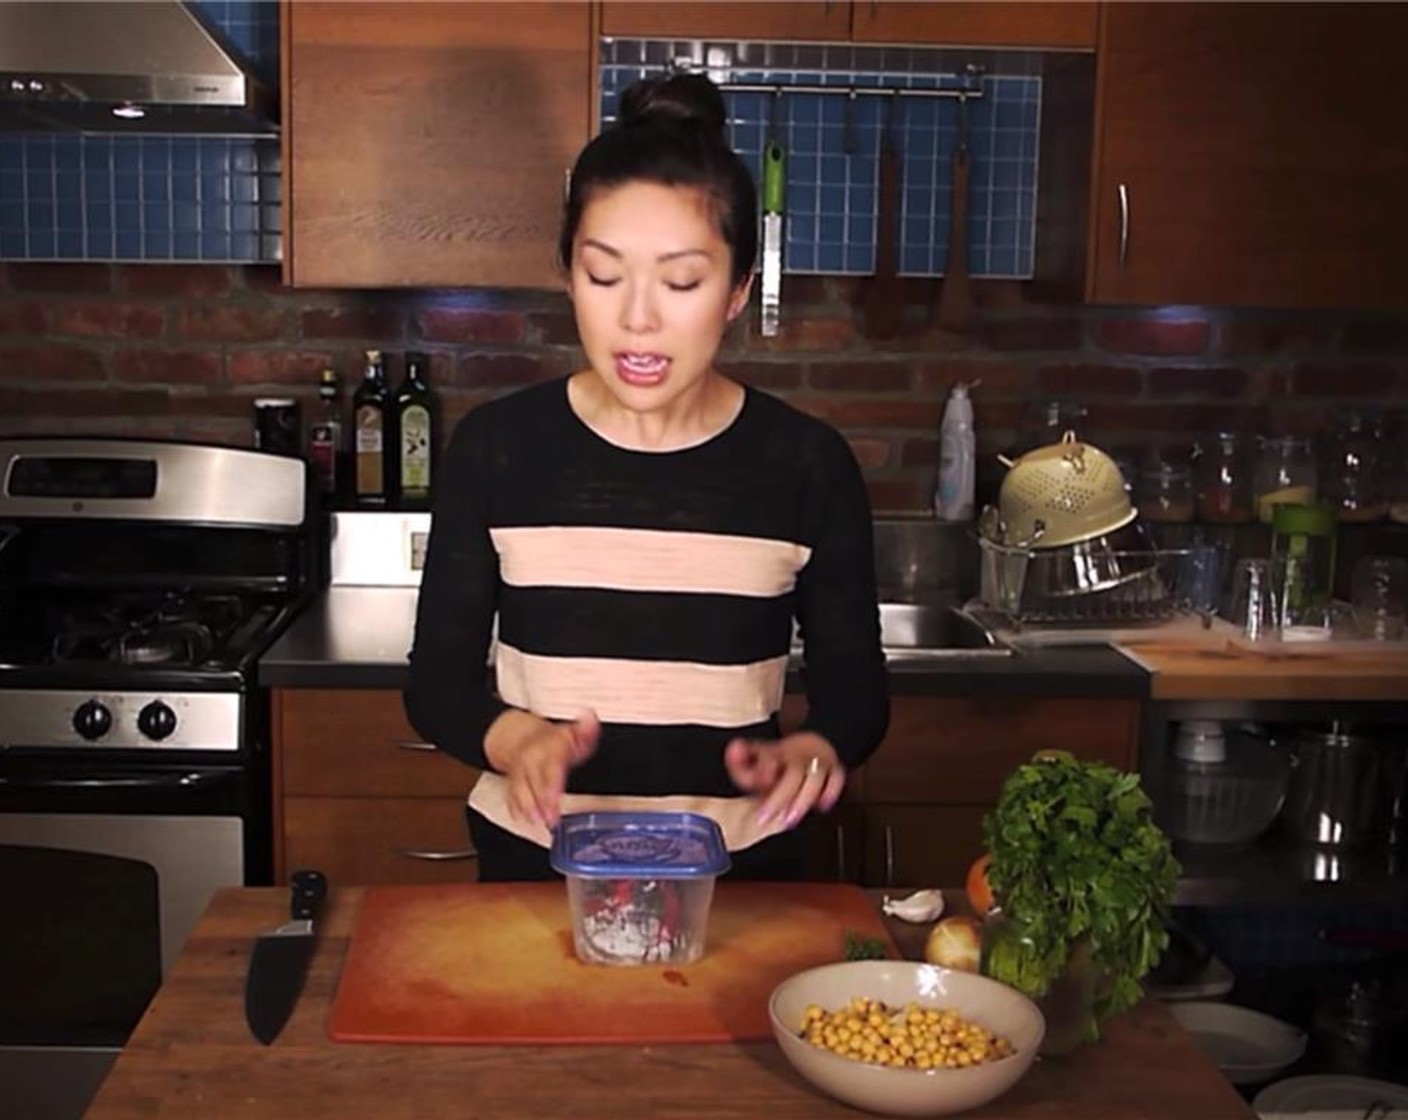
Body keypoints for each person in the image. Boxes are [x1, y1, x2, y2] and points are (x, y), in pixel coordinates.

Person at [403, 72, 888, 882]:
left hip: (739, 875)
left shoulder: (806, 465)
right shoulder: (498, 450)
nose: (638, 318)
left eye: (683, 282)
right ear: (567, 274)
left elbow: (857, 695)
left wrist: (817, 747)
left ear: (736, 291)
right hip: (538, 872)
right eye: (604, 276)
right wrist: (514, 738)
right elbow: (437, 684)